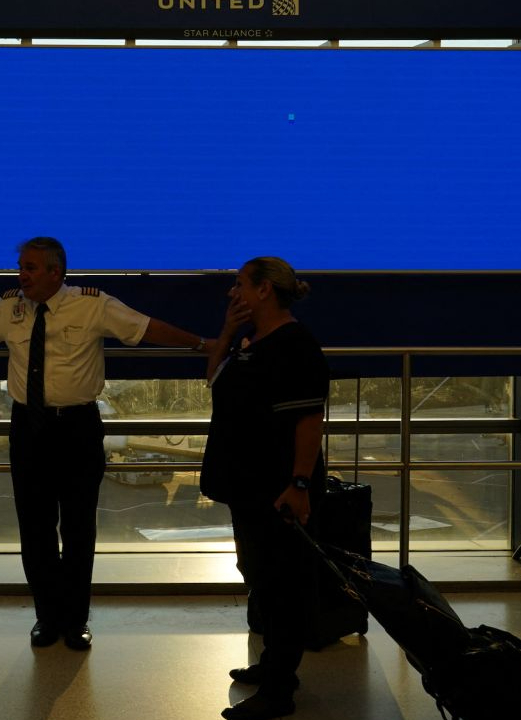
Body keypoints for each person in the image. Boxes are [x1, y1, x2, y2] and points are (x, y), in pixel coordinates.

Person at [0, 236, 211, 650]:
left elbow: (147, 329)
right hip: (29, 428)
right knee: (35, 529)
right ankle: (47, 617)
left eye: (31, 268)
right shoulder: (10, 308)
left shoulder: (93, 305)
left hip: (78, 427)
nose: (22, 274)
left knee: (79, 529)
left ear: (57, 272)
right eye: (21, 266)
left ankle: (75, 620)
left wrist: (202, 344)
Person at [200, 257, 329, 720]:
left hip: (277, 487)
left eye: (239, 285)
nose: (232, 292)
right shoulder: (253, 341)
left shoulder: (295, 345)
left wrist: (298, 483)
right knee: (260, 575)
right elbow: (212, 379)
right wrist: (226, 332)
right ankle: (274, 664)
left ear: (263, 291)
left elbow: (309, 421)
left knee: (282, 583)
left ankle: (279, 690)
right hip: (247, 484)